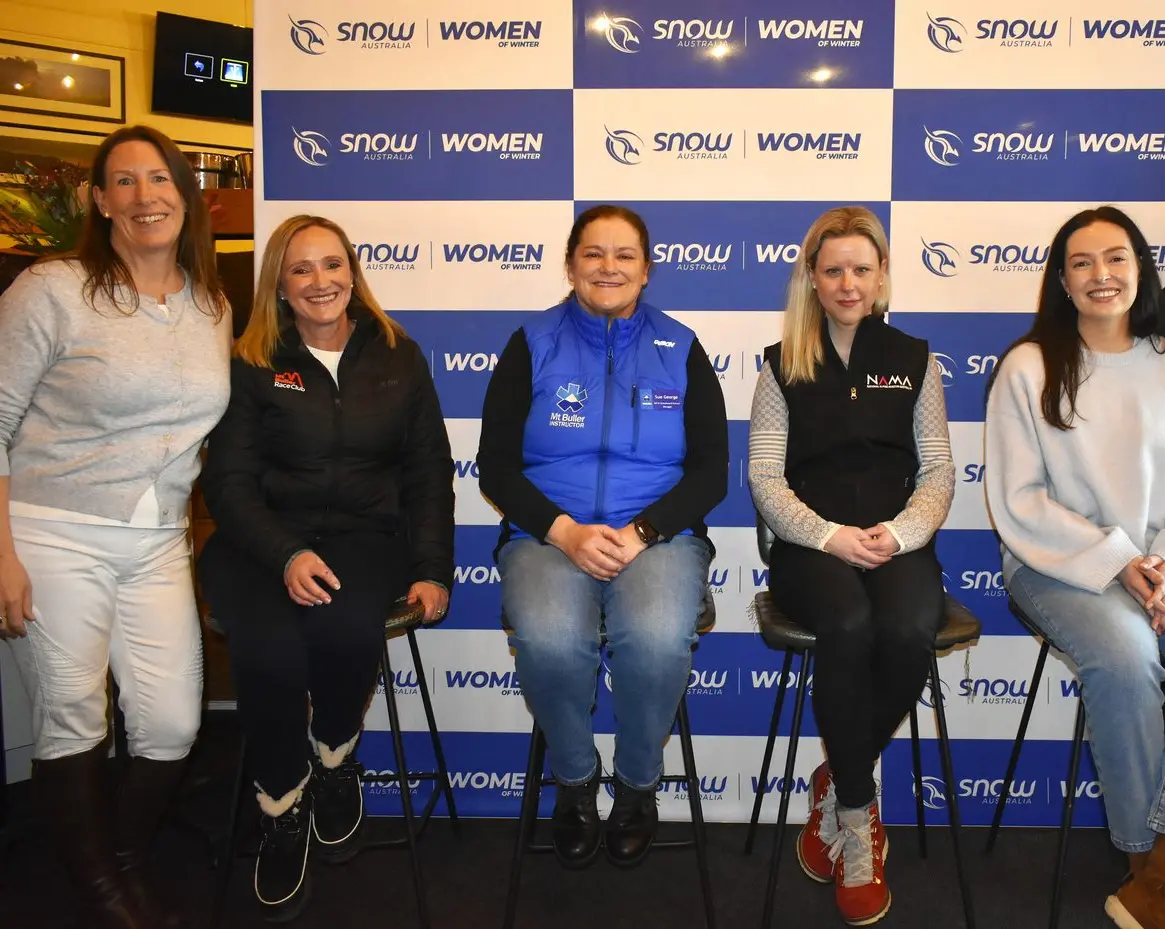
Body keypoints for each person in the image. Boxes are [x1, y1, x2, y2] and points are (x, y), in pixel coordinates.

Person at [984, 207, 1165, 929]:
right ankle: (1144, 861)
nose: (1100, 275)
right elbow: (1020, 499)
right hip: (1060, 564)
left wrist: (1163, 559)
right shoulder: (1027, 366)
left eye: (1115, 258)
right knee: (1125, 651)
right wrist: (1117, 559)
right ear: (1060, 278)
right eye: (1081, 262)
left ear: (1140, 268)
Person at [0, 124, 229, 929]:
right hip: (52, 527)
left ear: (183, 194)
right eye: (124, 182)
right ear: (99, 201)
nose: (144, 196)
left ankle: (121, 854)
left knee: (171, 720)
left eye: (159, 179)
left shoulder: (211, 303)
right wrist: (1, 552)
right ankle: (101, 891)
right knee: (74, 711)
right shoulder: (52, 287)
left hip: (158, 538)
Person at [197, 214, 454, 922]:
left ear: (352, 272)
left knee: (345, 632)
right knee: (270, 652)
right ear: (279, 282)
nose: (321, 281)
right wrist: (285, 552)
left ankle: (335, 756)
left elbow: (429, 470)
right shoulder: (252, 358)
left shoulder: (398, 353)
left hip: (365, 537)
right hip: (260, 541)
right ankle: (281, 801)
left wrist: (433, 565)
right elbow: (230, 482)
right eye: (302, 268)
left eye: (332, 265)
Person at [477, 204, 727, 871]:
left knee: (653, 636)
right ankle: (577, 780)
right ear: (570, 263)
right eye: (593, 253)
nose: (607, 267)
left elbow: (711, 471)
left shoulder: (680, 345)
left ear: (647, 270)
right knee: (551, 637)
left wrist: (643, 531)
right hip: (548, 535)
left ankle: (638, 786)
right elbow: (496, 463)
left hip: (657, 538)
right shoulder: (532, 342)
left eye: (623, 255)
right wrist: (562, 530)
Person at [748, 206, 955, 926]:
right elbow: (765, 479)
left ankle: (839, 778)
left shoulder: (915, 358)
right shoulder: (781, 363)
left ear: (881, 277)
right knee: (846, 622)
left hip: (896, 540)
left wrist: (898, 535)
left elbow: (936, 469)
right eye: (831, 269)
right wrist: (829, 535)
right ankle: (860, 815)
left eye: (860, 269)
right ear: (811, 276)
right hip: (812, 548)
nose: (846, 282)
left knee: (904, 629)